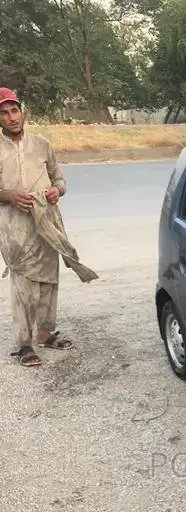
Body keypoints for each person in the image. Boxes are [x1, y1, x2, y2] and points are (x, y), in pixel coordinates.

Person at [0, 87, 73, 367]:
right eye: (4, 113)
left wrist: (56, 191)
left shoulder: (42, 144)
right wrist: (8, 195)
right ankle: (23, 344)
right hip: (12, 229)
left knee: (48, 280)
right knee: (23, 284)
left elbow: (60, 179)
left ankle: (45, 333)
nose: (11, 117)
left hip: (46, 224)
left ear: (22, 111)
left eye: (14, 110)